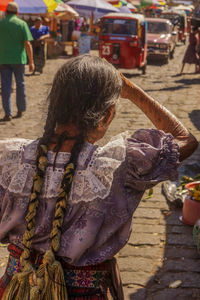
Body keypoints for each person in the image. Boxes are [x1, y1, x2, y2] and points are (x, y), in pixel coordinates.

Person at [0, 55, 198, 300]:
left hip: (15, 289)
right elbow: (185, 140)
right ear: (107, 115)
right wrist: (132, 91)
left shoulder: (7, 158)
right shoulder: (117, 166)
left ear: (53, 107)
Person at [0, 2, 34, 122]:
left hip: (3, 59)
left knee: (5, 87)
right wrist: (31, 61)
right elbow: (27, 43)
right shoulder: (22, 24)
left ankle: (8, 113)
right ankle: (21, 109)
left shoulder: (1, 24)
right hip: (19, 59)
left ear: (6, 11)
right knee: (20, 84)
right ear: (17, 12)